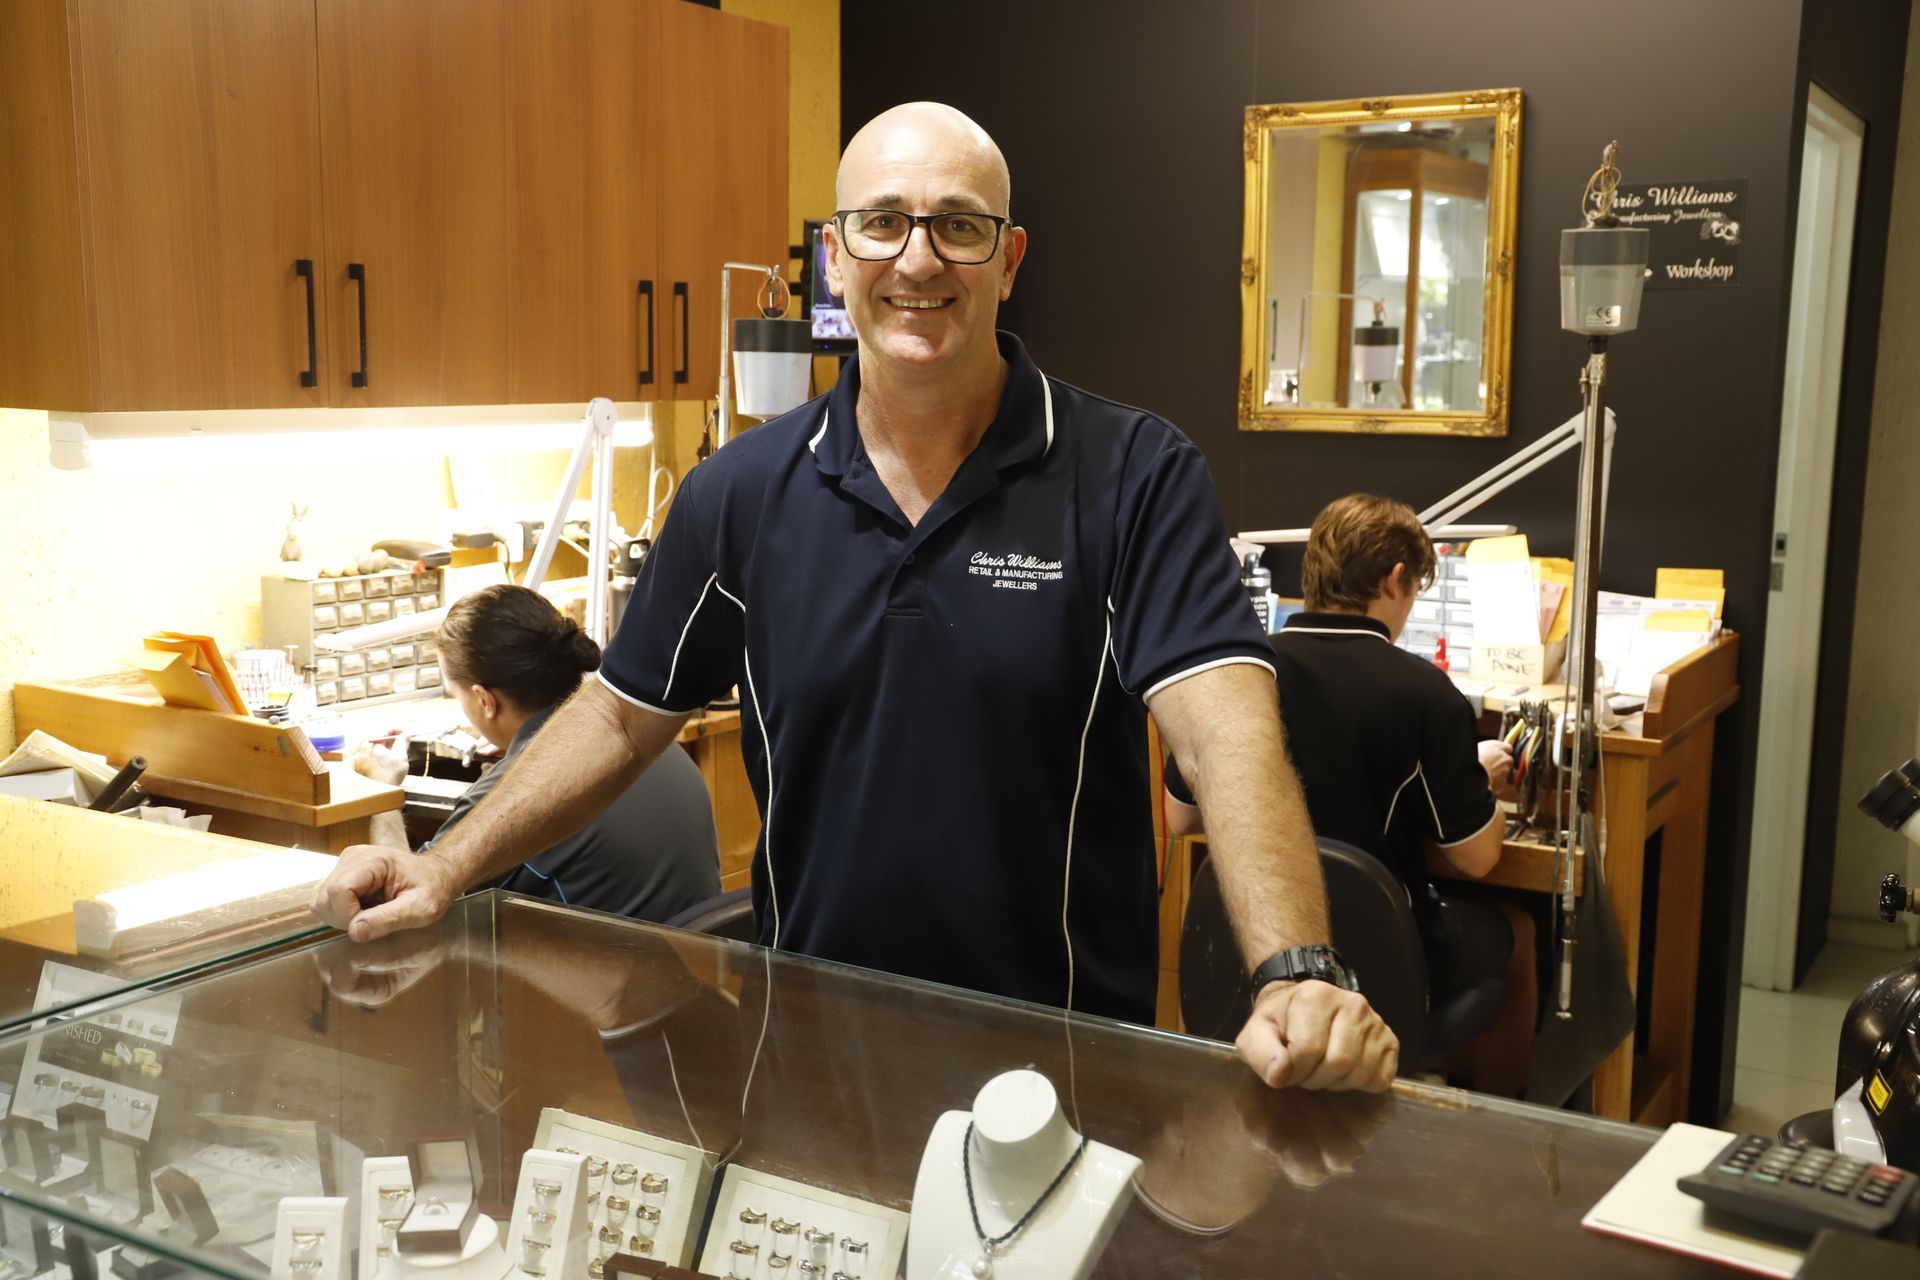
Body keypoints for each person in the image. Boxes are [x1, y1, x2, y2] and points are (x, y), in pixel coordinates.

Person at [313, 102, 1396, 1094]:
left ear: (1008, 260)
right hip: (810, 1062)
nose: (917, 258)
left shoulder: (1129, 474)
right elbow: (616, 711)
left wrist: (1295, 969)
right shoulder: (739, 494)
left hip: (1061, 1070)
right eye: (881, 223)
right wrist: (443, 860)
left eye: (958, 227)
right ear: (835, 258)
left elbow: (1227, 728)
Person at [1164, 494, 1536, 1094]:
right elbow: (1477, 857)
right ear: (1395, 580)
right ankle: (1505, 1130)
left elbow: (1180, 817)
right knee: (1515, 929)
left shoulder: (1243, 670)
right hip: (1375, 957)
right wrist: (1476, 774)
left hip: (1241, 947)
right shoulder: (1425, 693)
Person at [350, 584, 720, 923]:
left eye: (455, 693)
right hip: (688, 971)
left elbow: (403, 908)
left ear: (484, 701)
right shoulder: (651, 743)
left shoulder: (504, 800)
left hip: (608, 989)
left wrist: (382, 796)